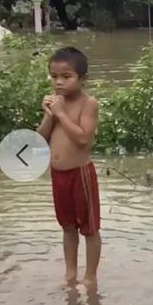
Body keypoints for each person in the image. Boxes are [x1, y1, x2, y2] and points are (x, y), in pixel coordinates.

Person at [36, 47, 101, 288]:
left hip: (80, 174)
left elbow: (83, 139)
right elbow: (40, 139)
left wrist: (61, 113)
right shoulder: (55, 105)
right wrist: (49, 115)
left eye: (66, 76)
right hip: (58, 175)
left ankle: (90, 276)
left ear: (82, 78)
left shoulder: (88, 103)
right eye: (54, 77)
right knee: (67, 226)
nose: (59, 82)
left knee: (90, 228)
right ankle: (70, 272)